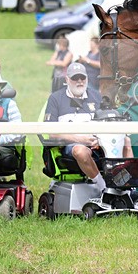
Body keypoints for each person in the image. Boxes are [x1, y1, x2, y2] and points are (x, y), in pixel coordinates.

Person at [44, 62, 107, 193]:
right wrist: (80, 139)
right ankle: (103, 188)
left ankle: (128, 190)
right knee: (80, 150)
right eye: (75, 78)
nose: (79, 81)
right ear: (67, 79)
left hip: (99, 143)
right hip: (70, 146)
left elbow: (106, 123)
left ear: (87, 79)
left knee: (126, 143)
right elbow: (51, 133)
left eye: (82, 78)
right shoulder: (55, 98)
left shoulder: (97, 97)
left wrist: (100, 140)